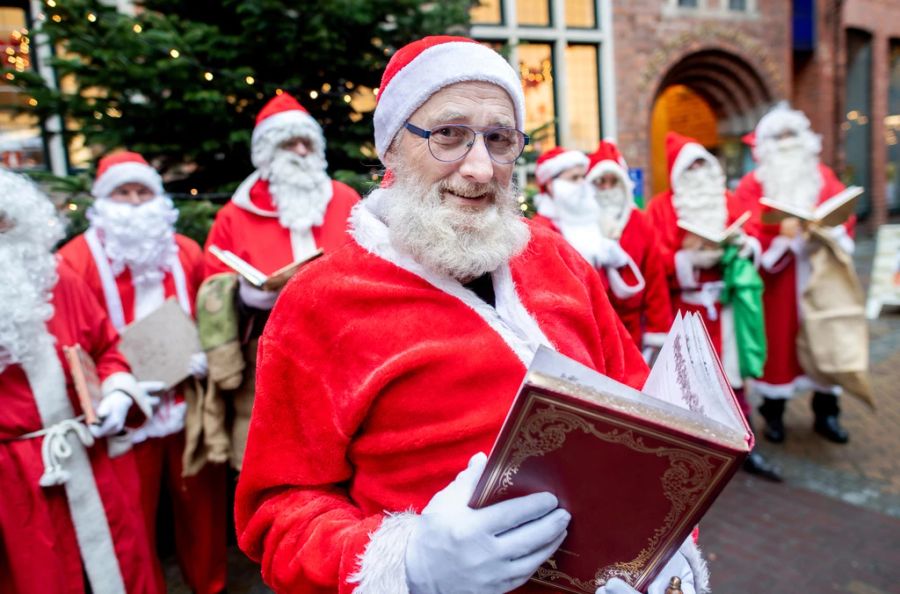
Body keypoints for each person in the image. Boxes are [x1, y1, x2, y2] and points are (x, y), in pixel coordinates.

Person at [234, 36, 708, 594]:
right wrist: (410, 566)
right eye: (449, 135)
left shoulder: (556, 258)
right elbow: (278, 513)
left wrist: (663, 547)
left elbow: (639, 403)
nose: (480, 168)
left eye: (500, 139)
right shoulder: (321, 302)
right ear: (390, 148)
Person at [58, 152, 227, 594]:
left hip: (187, 400)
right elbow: (73, 338)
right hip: (125, 410)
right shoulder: (74, 261)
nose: (134, 203)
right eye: (123, 192)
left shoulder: (186, 251)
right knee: (130, 520)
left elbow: (212, 310)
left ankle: (209, 585)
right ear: (102, 200)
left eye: (143, 192)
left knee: (202, 510)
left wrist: (208, 350)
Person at [0, 168, 158, 594]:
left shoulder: (55, 276)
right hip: (13, 486)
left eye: (3, 221)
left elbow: (108, 347)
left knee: (119, 571)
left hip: (91, 459)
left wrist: (117, 392)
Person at [199, 92, 360, 470]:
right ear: (267, 153)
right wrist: (241, 296)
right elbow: (211, 283)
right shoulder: (234, 215)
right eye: (290, 143)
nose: (302, 151)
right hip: (267, 356)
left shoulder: (344, 198)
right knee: (278, 460)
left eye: (308, 142)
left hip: (344, 349)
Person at [646, 132, 780, 481]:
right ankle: (693, 453)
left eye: (704, 164)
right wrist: (687, 258)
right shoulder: (661, 207)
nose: (699, 172)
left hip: (726, 305)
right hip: (687, 308)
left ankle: (744, 445)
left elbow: (749, 235)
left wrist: (742, 244)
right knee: (689, 382)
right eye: (691, 167)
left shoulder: (727, 199)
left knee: (732, 381)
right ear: (678, 173)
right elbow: (653, 261)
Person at [735, 104, 855, 444]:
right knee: (779, 350)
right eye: (779, 136)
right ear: (765, 144)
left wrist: (827, 229)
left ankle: (826, 414)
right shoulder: (752, 184)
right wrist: (778, 237)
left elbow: (843, 215)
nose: (787, 142)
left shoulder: (821, 175)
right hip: (779, 283)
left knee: (825, 347)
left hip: (819, 276)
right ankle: (774, 417)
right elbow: (747, 229)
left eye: (792, 135)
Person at [584, 140, 673, 355]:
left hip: (633, 327)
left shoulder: (639, 222)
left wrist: (657, 330)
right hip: (594, 326)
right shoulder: (582, 224)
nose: (606, 188)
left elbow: (655, 279)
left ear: (623, 185)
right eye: (600, 182)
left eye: (613, 181)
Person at [531, 146, 646, 308]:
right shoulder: (542, 230)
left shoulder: (587, 219)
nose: (582, 184)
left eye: (583, 177)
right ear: (550, 184)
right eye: (574, 178)